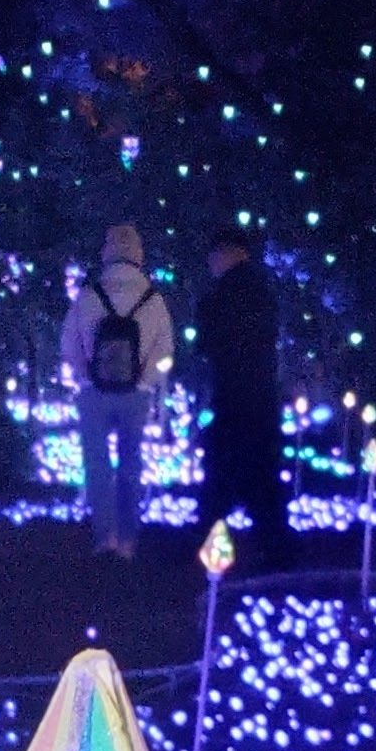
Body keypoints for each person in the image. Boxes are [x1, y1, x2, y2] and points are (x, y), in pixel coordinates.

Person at [61, 222, 173, 558]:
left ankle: (104, 535)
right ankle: (127, 538)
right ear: (138, 253)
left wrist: (86, 374)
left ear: (107, 252)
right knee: (131, 462)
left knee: (96, 462)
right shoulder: (153, 299)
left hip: (93, 393)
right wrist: (144, 380)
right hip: (135, 395)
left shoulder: (89, 295)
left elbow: (68, 343)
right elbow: (165, 349)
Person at [195, 226, 288, 565]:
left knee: (226, 470)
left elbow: (206, 343)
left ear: (226, 253)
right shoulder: (263, 293)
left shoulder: (222, 297)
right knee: (259, 473)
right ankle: (275, 544)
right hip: (260, 395)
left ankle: (210, 534)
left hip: (233, 394)